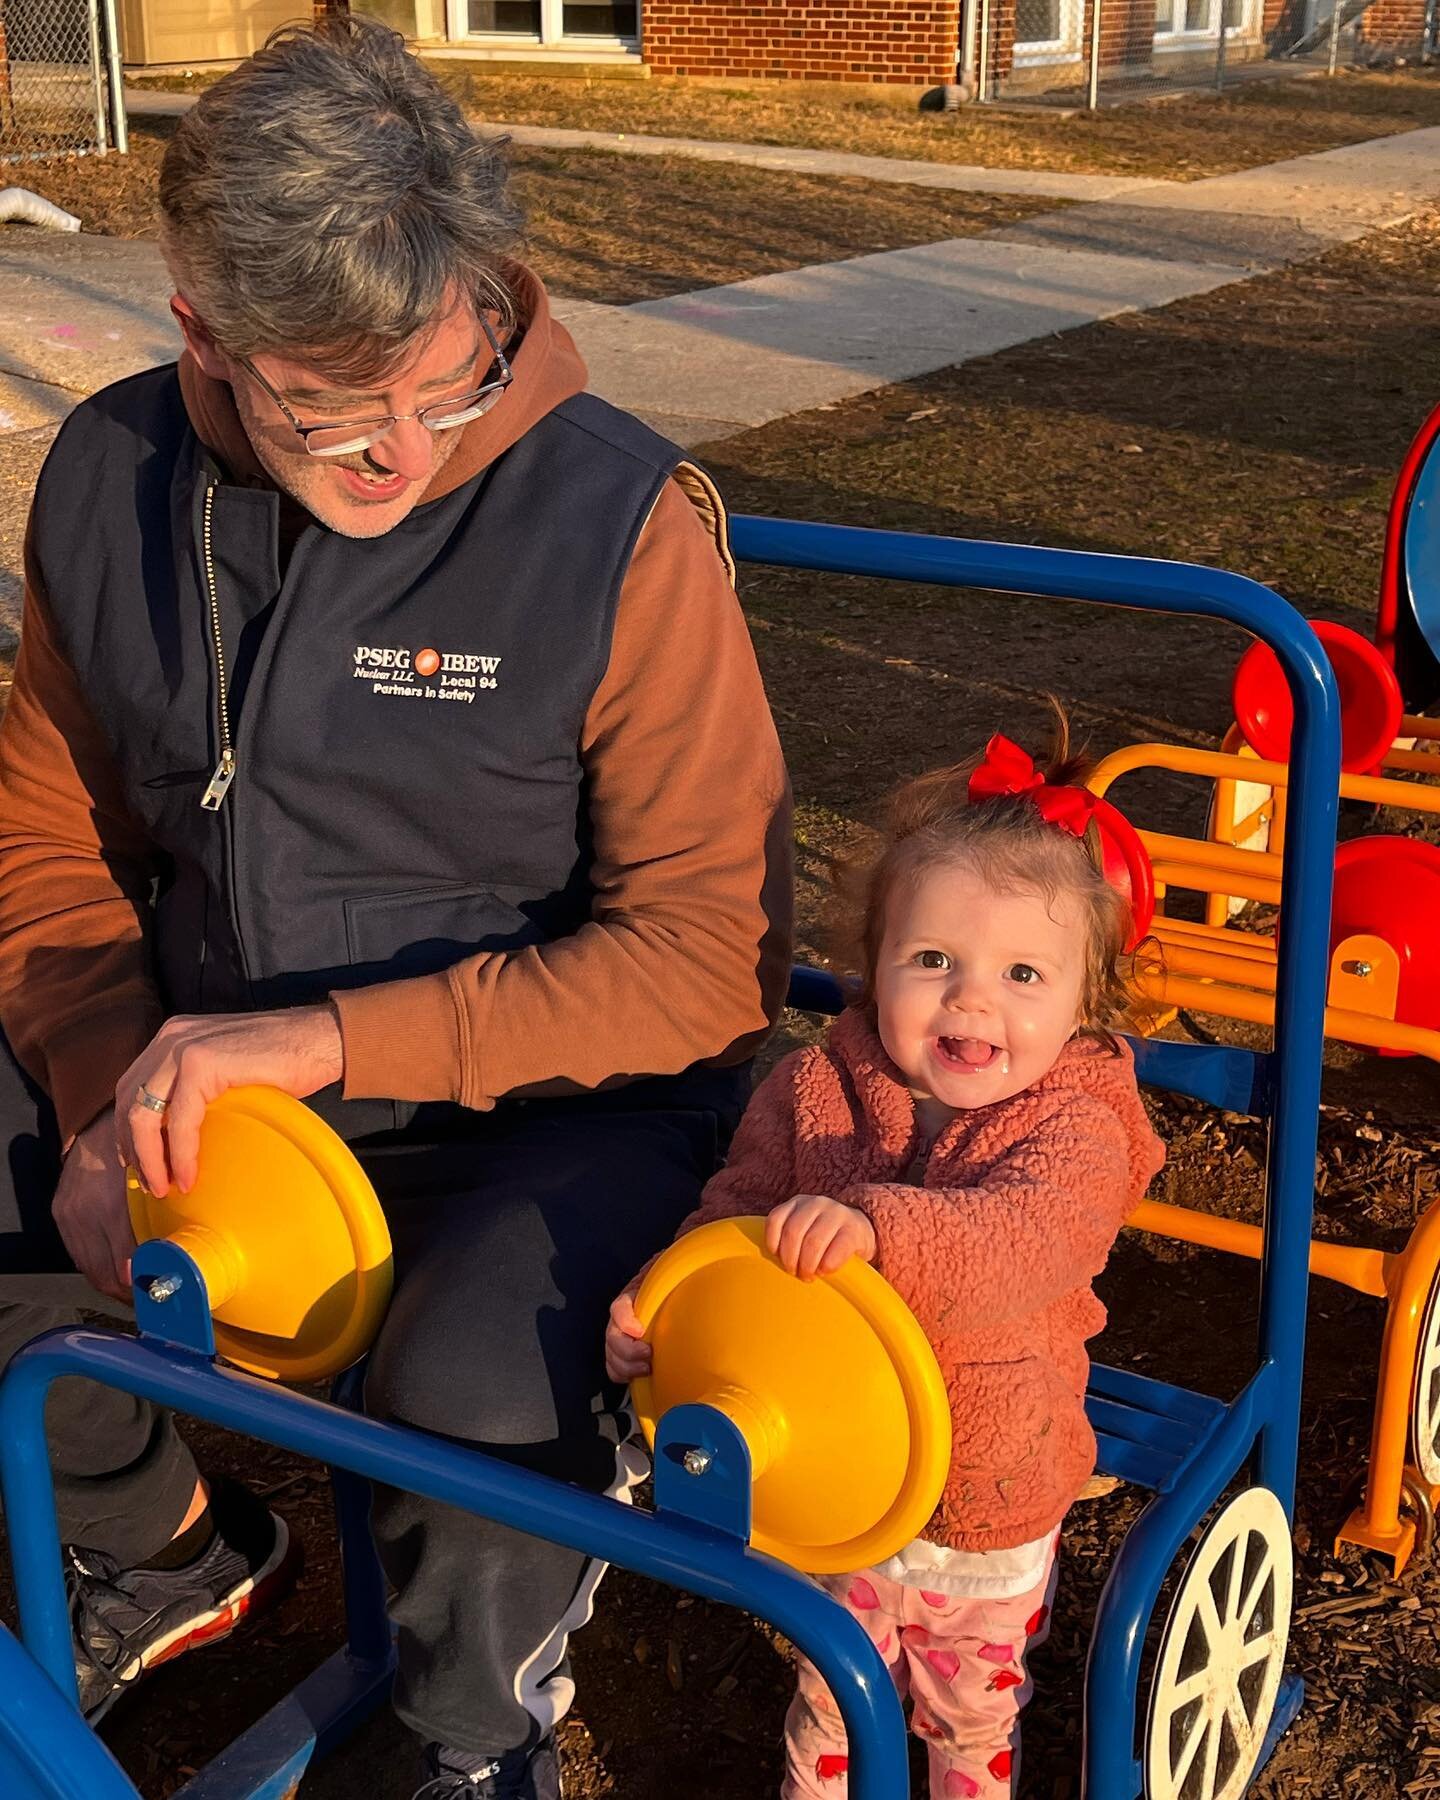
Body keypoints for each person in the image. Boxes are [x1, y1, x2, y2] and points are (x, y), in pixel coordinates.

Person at [0, 19, 790, 1799]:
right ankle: (161, 1549)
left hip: (555, 1114)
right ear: (201, 332)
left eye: (452, 384)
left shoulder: (621, 524)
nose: (406, 455)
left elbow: (703, 959)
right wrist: (100, 1086)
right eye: (333, 411)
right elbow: (46, 846)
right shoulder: (103, 484)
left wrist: (337, 1034)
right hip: (224, 1091)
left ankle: (468, 1734)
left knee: (465, 1399)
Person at [607, 725, 1164, 1799]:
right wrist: (669, 1304)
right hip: (833, 1458)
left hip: (983, 1485)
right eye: (933, 961)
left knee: (967, 1704)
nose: (971, 999)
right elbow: (738, 1211)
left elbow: (1030, 1240)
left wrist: (879, 1228)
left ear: (1086, 1003)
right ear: (873, 968)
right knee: (831, 1685)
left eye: (1022, 973)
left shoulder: (1080, 1121)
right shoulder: (817, 1087)